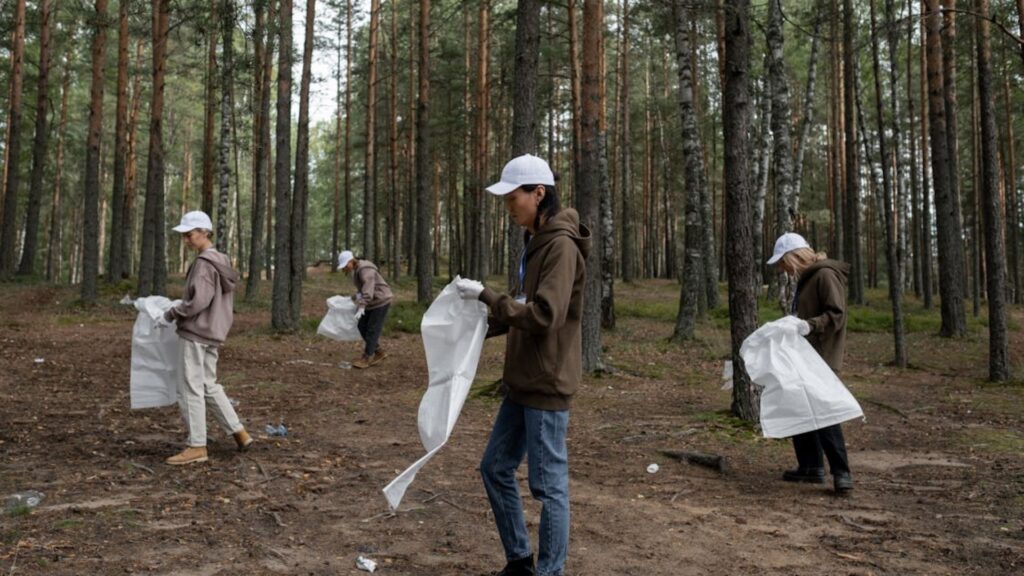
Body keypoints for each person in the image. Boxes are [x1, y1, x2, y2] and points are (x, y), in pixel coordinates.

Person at [455, 154, 591, 576]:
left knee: (549, 487)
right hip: (522, 381)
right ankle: (519, 562)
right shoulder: (537, 243)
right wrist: (476, 321)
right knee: (495, 468)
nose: (508, 205)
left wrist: (489, 298)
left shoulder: (562, 247)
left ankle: (550, 572)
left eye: (513, 197)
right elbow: (524, 311)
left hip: (546, 382)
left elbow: (544, 316)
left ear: (538, 193)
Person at [159, 211, 251, 466]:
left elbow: (199, 301)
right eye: (184, 236)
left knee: (190, 387)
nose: (186, 240)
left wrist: (173, 312)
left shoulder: (203, 264)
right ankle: (239, 432)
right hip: (214, 332)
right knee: (208, 384)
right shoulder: (221, 260)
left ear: (204, 233)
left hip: (196, 331)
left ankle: (197, 445)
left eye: (189, 235)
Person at [767, 232, 854, 494]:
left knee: (824, 414)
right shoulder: (808, 278)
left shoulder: (824, 275)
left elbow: (836, 314)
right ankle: (811, 467)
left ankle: (842, 474)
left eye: (783, 263)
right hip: (806, 354)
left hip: (822, 356)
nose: (783, 270)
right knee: (799, 408)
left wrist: (808, 325)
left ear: (794, 257)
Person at [337, 250, 393, 369]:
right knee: (362, 326)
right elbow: (362, 292)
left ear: (351, 261)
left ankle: (367, 357)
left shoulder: (365, 269)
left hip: (381, 301)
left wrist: (362, 306)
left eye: (345, 266)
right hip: (371, 302)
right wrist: (352, 298)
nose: (344, 269)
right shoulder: (357, 270)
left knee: (372, 329)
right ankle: (379, 352)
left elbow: (368, 290)